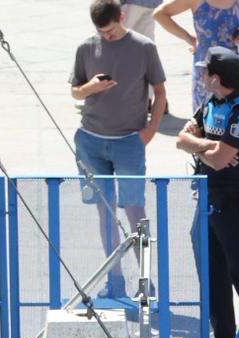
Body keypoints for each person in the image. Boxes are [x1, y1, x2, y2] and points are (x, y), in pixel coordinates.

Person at [176, 48, 239, 338]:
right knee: (213, 275)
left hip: (235, 204)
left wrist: (206, 148)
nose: (201, 76)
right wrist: (207, 146)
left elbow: (219, 158)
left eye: (205, 72)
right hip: (207, 200)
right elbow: (182, 138)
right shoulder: (212, 104)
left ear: (215, 78)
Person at [69, 0, 168, 257]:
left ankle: (146, 281)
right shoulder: (86, 48)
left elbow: (160, 92)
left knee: (135, 209)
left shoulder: (144, 48)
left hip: (128, 141)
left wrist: (151, 129)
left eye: (110, 31)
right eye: (101, 32)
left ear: (122, 17)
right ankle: (115, 280)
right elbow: (75, 92)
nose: (106, 37)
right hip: (91, 140)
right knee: (105, 210)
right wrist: (90, 87)